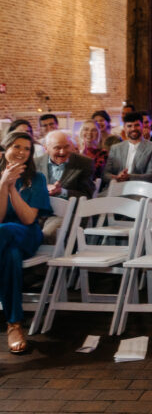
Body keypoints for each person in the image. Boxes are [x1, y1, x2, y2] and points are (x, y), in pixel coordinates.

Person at [0, 131, 52, 354]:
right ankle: (14, 325)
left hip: (28, 234)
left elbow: (29, 218)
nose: (22, 152)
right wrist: (3, 184)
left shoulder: (37, 178)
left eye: (27, 149)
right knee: (10, 255)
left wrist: (12, 188)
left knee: (7, 230)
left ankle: (14, 324)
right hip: (5, 240)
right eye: (16, 147)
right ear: (5, 149)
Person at [35, 130, 94, 241]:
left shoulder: (84, 163)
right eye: (57, 148)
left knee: (46, 235)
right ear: (46, 148)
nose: (62, 152)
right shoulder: (35, 163)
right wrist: (42, 188)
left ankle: (49, 258)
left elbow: (87, 196)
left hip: (67, 214)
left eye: (66, 147)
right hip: (37, 213)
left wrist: (62, 191)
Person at [102, 112, 152, 185]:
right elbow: (105, 175)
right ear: (124, 127)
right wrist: (117, 177)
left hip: (141, 190)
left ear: (142, 125)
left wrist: (129, 176)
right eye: (129, 126)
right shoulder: (115, 148)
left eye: (137, 125)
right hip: (116, 187)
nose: (133, 129)